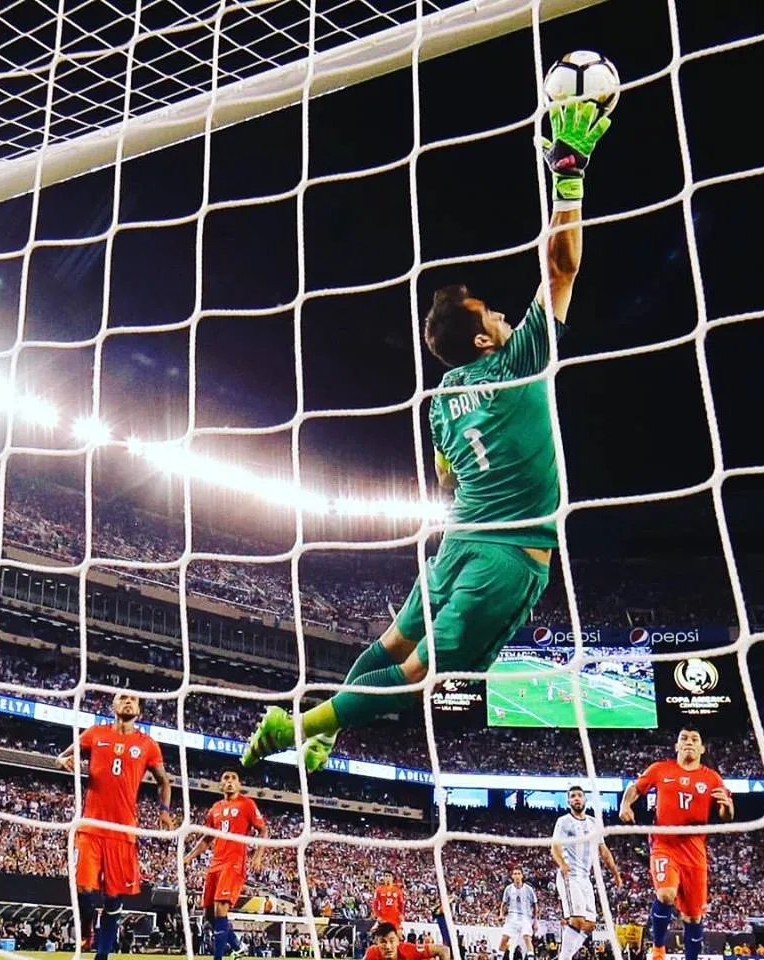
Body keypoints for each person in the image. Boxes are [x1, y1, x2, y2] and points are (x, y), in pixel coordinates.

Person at [241, 88, 614, 771]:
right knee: (420, 682)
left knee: (389, 647)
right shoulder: (520, 360)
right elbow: (561, 265)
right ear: (480, 338)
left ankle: (326, 729)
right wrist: (568, 169)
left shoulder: (443, 395)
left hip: (454, 548)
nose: (505, 314)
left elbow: (447, 474)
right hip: (503, 560)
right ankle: (305, 722)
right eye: (493, 313)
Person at [56, 692, 172, 960]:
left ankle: (102, 956)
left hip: (124, 832)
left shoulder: (147, 745)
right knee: (84, 888)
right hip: (91, 826)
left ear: (139, 711)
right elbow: (61, 757)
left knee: (113, 898)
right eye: (122, 698)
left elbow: (164, 781)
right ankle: (87, 928)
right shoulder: (95, 734)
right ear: (113, 705)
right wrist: (63, 760)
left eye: (133, 700)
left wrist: (164, 812)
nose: (128, 702)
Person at [618, 728, 735, 960]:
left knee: (693, 917)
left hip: (694, 850)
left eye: (694, 739)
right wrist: (625, 804)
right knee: (666, 895)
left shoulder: (711, 778)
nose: (689, 742)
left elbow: (726, 815)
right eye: (684, 738)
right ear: (676, 746)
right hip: (664, 844)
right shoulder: (660, 769)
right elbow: (635, 788)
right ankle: (658, 948)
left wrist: (727, 807)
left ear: (702, 748)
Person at [186, 768, 268, 960]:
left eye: (233, 778)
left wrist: (257, 856)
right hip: (215, 863)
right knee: (208, 914)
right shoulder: (215, 808)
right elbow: (207, 838)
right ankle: (237, 946)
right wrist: (189, 857)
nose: (230, 781)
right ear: (221, 784)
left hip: (234, 862)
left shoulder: (247, 804)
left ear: (239, 784)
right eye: (226, 778)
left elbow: (263, 830)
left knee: (220, 908)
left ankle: (218, 957)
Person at [551, 785, 622, 960]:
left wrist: (615, 873)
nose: (576, 798)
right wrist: (562, 865)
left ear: (585, 799)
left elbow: (603, 849)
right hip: (570, 875)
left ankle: (564, 956)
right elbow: (554, 847)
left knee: (590, 925)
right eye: (573, 796)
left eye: (579, 795)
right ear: (568, 801)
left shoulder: (593, 823)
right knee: (577, 920)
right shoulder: (564, 821)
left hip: (585, 877)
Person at [498, 867, 538, 960]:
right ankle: (499, 957)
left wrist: (535, 921)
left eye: (518, 874)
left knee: (527, 937)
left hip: (525, 917)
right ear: (512, 876)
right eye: (515, 874)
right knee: (504, 938)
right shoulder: (508, 889)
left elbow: (535, 905)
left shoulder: (529, 889)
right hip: (512, 917)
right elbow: (503, 903)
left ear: (522, 876)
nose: (517, 876)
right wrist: (501, 914)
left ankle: (531, 958)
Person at [364, 922, 450, 960]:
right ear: (377, 943)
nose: (388, 946)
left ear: (398, 941)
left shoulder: (408, 950)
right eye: (383, 942)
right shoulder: (372, 953)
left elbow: (444, 950)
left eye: (392, 941)